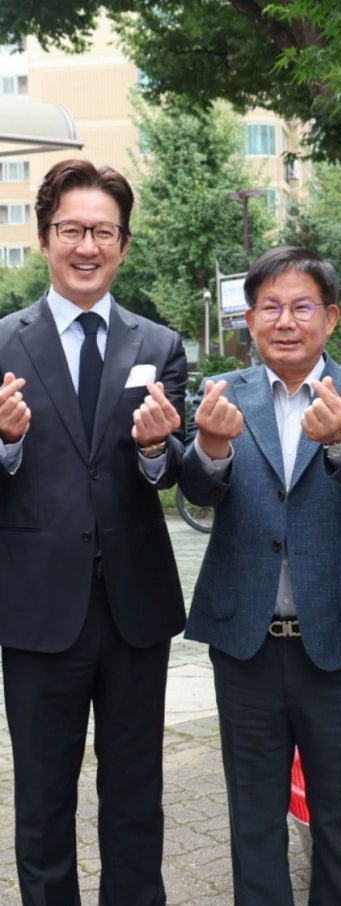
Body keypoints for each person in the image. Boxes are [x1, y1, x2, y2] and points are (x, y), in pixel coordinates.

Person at [179, 246, 341, 906]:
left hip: (340, 648)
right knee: (252, 822)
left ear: (330, 318)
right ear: (249, 320)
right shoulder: (225, 393)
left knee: (338, 821)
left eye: (301, 306)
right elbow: (195, 490)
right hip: (245, 647)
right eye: (270, 307)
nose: (285, 320)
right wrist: (211, 448)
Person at [0, 159, 188, 905]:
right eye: (72, 230)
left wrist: (153, 450)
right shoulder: (3, 345)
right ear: (45, 239)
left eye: (101, 232)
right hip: (37, 610)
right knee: (44, 802)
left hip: (134, 610)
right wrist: (4, 444)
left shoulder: (159, 345)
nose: (87, 245)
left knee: (136, 792)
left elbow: (169, 470)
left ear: (122, 244)